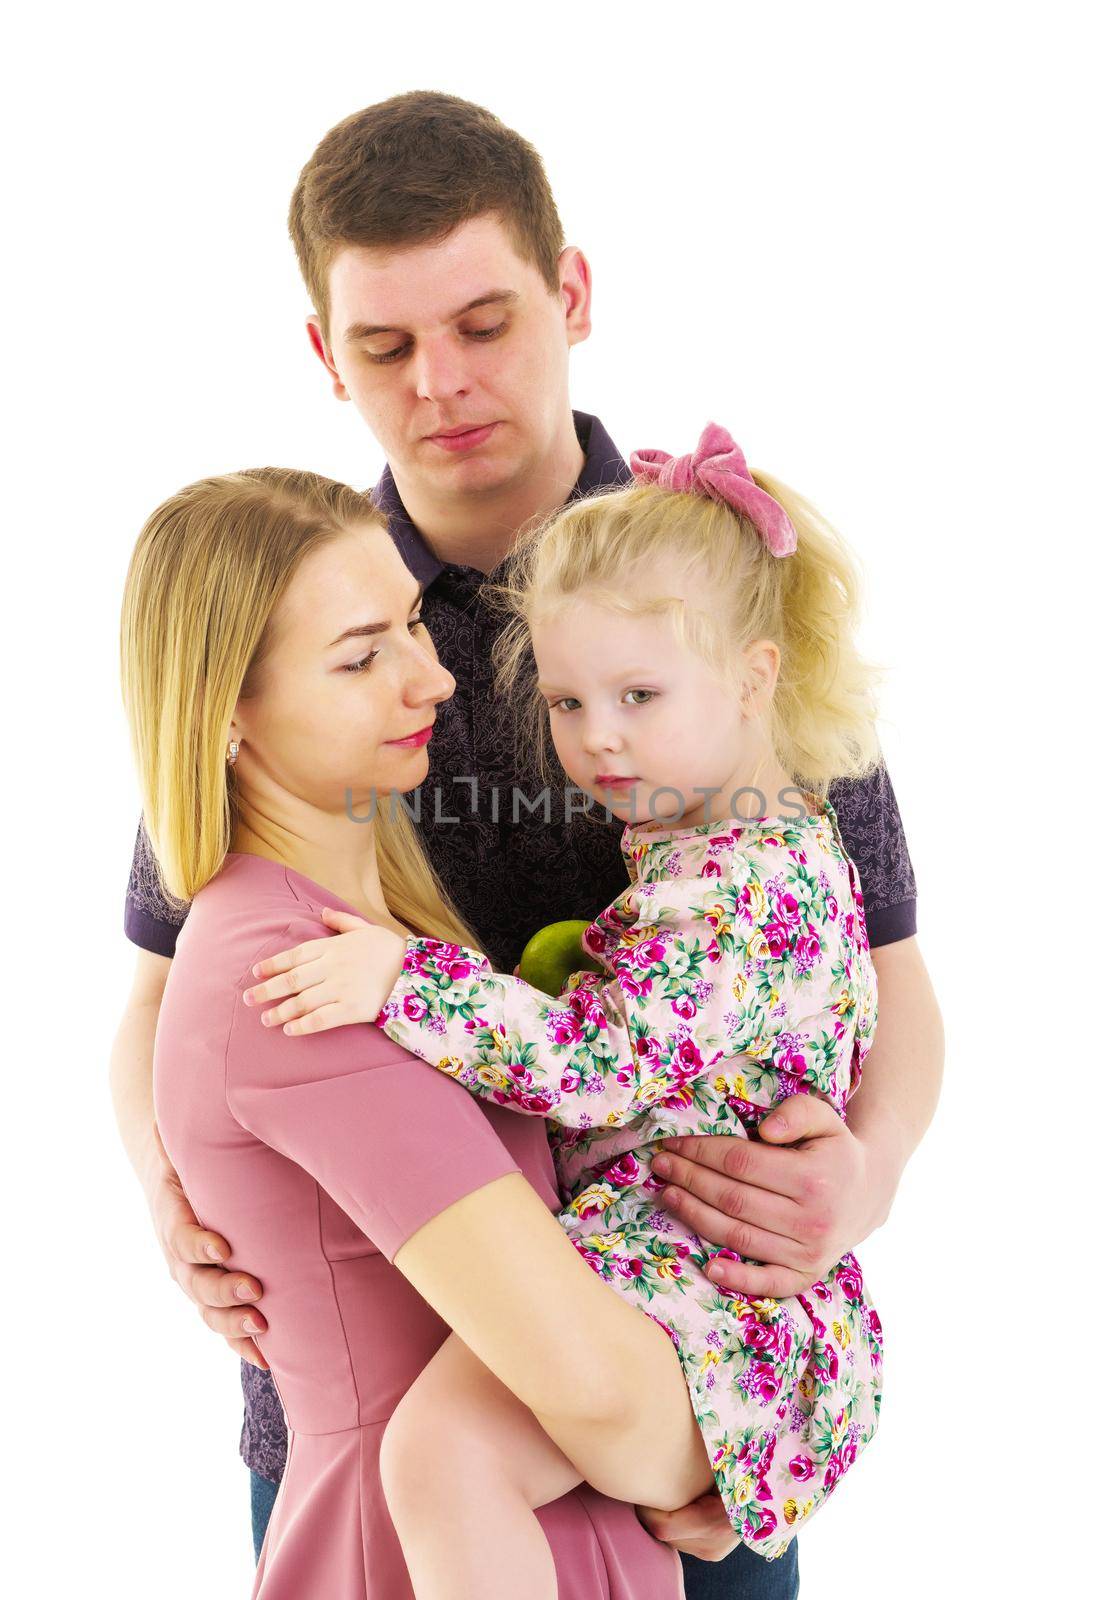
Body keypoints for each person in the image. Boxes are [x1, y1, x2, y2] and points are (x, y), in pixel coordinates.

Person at [109, 92, 943, 1597]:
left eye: (484, 320)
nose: (441, 383)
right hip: (381, 1400)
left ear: (569, 293)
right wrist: (172, 1195)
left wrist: (858, 1177)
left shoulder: (715, 587)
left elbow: (889, 975)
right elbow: (174, 987)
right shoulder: (308, 616)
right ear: (324, 356)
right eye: (383, 347)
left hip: (671, 1334)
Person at [242, 425, 885, 1596]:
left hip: (697, 1288)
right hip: (690, 1287)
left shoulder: (726, 890)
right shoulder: (763, 835)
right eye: (569, 700)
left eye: (640, 694)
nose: (598, 738)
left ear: (757, 673)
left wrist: (404, 978)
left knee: (441, 1456)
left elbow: (597, 1061)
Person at [121, 465, 696, 1598]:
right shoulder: (293, 985)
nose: (430, 678)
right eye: (360, 655)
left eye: (413, 627)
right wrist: (743, 1450)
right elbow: (593, 1387)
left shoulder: (368, 939)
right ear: (226, 711)